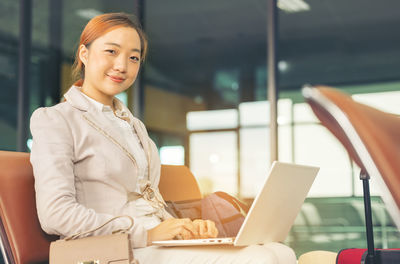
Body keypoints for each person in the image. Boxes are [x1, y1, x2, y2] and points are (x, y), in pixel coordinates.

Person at [30, 12, 296, 263]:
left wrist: (186, 227)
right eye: (111, 51)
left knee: (279, 251)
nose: (122, 65)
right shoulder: (55, 119)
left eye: (134, 58)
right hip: (112, 250)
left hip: (153, 244)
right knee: (262, 259)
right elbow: (56, 214)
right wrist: (146, 234)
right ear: (84, 54)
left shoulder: (134, 126)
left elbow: (147, 200)